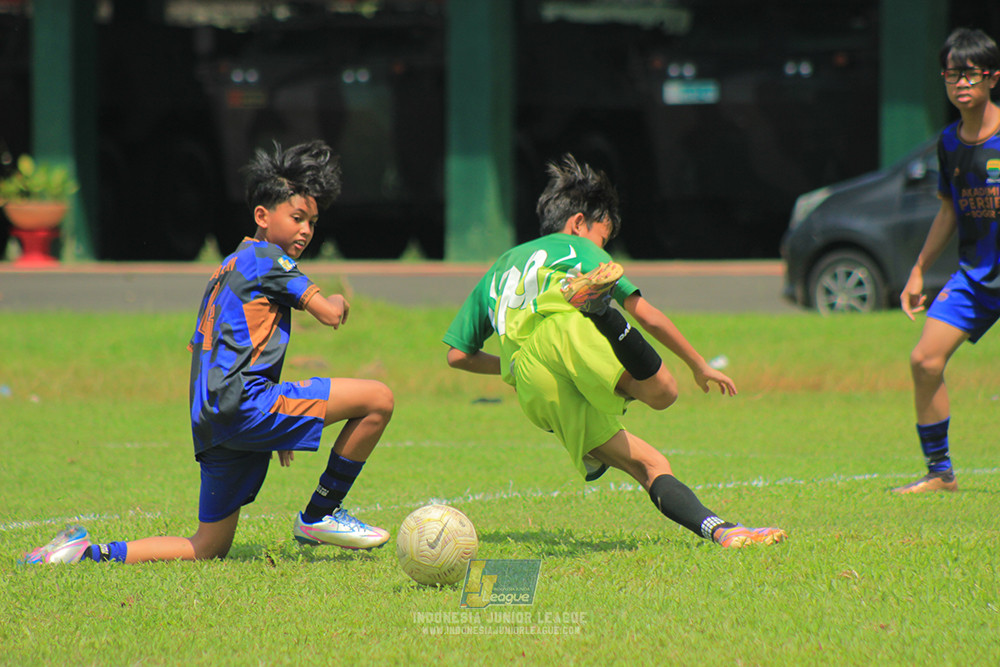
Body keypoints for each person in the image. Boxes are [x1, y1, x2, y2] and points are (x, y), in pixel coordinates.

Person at [22, 140, 394, 564]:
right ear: (262, 215)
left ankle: (85, 554)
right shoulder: (269, 261)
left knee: (207, 547)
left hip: (213, 416)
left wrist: (277, 430)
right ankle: (320, 514)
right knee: (379, 399)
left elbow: (236, 347)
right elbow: (327, 314)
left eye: (312, 221)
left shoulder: (230, 265)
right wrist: (342, 302)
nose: (306, 230)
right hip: (245, 405)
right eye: (297, 218)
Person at [443, 154, 786, 548]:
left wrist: (514, 366)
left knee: (651, 464)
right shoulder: (577, 248)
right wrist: (698, 364)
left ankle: (724, 532)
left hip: (531, 386)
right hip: (566, 330)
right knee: (664, 393)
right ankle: (601, 311)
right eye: (602, 238)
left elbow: (458, 355)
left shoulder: (500, 265)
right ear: (578, 223)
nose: (601, 247)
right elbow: (649, 316)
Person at [895, 28, 1000, 494]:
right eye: (952, 75)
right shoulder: (950, 142)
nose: (961, 84)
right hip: (976, 276)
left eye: (970, 74)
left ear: (992, 77)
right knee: (924, 361)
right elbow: (947, 209)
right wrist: (919, 269)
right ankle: (940, 473)